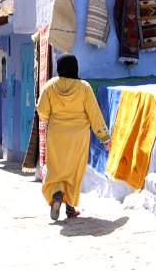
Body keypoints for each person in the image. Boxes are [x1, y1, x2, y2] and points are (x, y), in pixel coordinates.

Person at [36, 54, 111, 221]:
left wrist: (50, 118)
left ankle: (56, 194)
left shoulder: (50, 86)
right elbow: (94, 114)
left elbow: (41, 110)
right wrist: (105, 137)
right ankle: (70, 207)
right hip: (79, 136)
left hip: (56, 135)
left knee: (56, 169)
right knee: (74, 171)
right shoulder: (84, 87)